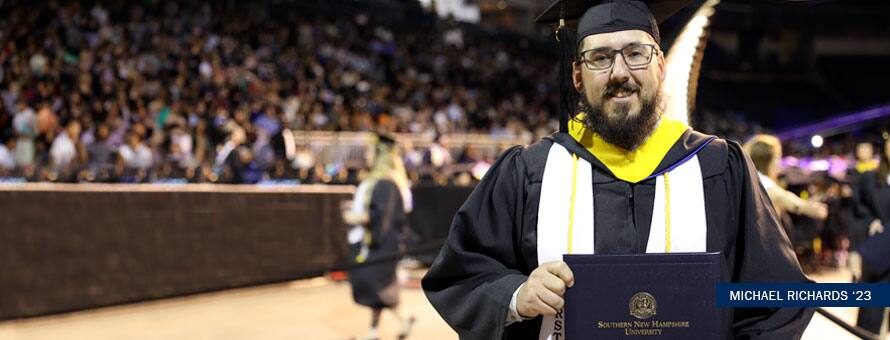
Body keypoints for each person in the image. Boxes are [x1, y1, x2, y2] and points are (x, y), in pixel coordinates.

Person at [422, 1, 814, 339]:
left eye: (636, 53)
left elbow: (777, 296)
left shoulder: (718, 167)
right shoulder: (529, 171)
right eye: (600, 58)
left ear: (660, 64)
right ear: (577, 75)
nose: (619, 72)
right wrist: (514, 296)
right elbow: (460, 275)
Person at [342, 134, 415, 340]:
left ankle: (386, 327)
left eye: (369, 150)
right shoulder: (389, 180)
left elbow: (381, 216)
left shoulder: (385, 183)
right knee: (380, 289)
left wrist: (354, 216)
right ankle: (381, 329)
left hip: (378, 244)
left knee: (377, 287)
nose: (366, 155)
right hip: (383, 242)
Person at [743, 134, 828, 221]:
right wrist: (805, 207)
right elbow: (780, 196)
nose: (778, 164)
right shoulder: (762, 180)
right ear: (766, 161)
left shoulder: (747, 177)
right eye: (777, 158)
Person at [854, 139, 890, 335]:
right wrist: (872, 221)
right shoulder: (871, 178)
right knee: (876, 308)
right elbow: (858, 210)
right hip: (882, 250)